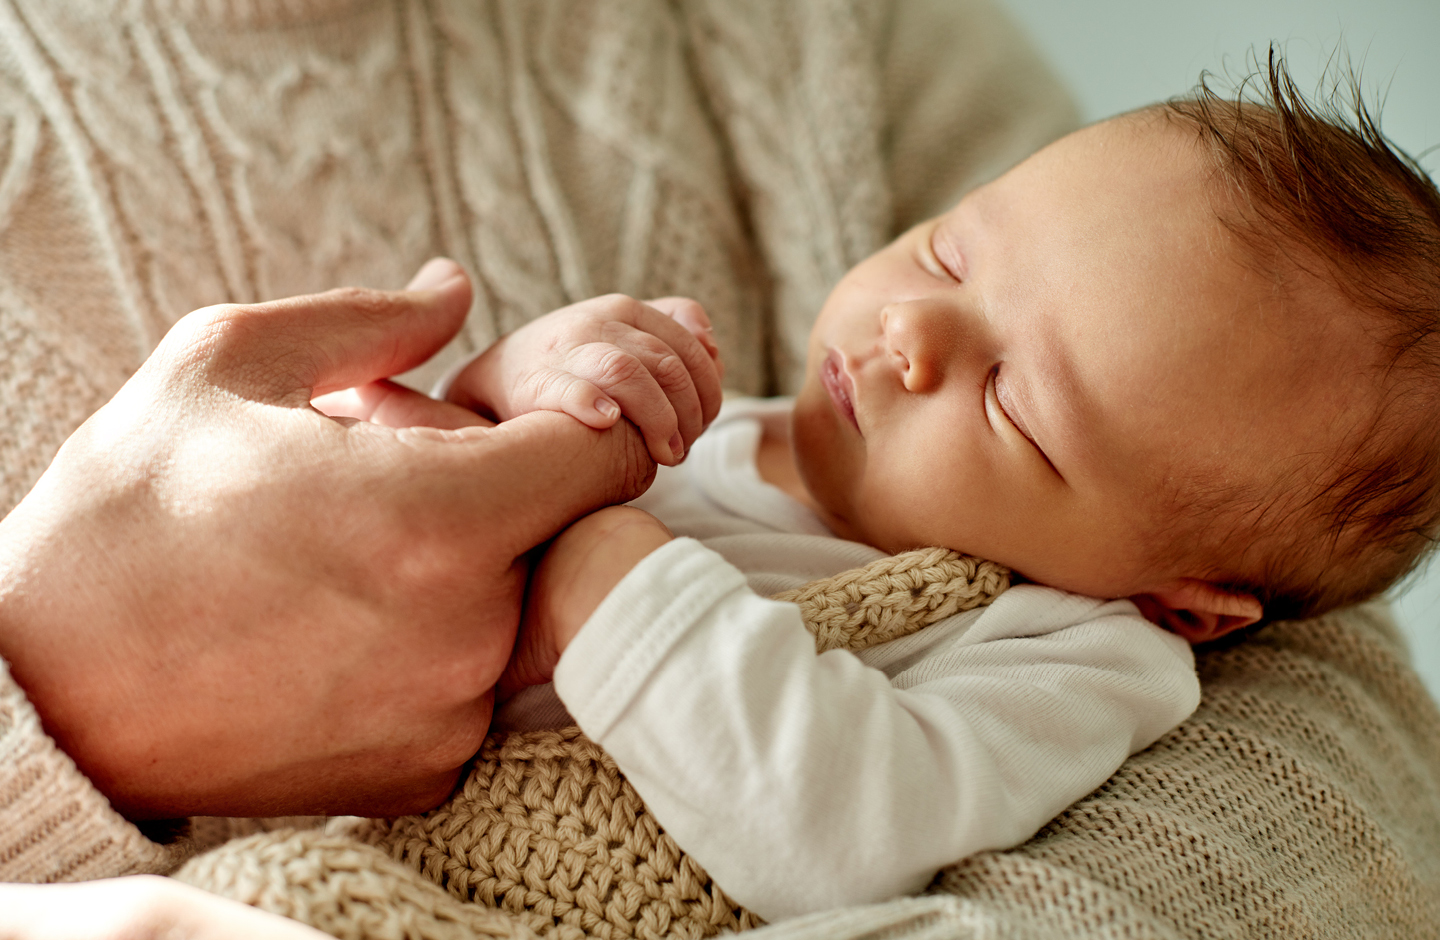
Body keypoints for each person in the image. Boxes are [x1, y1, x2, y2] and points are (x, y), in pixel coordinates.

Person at [419, 64, 1440, 920]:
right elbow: (411, 510)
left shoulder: (1075, 655)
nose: (911, 330)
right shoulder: (719, 424)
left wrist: (611, 587)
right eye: (949, 251)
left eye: (1011, 401)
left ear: (1185, 601)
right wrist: (521, 386)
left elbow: (832, 836)